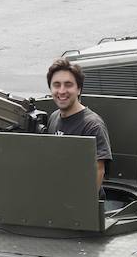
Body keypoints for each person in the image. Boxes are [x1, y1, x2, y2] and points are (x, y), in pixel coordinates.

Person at [47, 58, 112, 189]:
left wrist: (82, 205)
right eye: (56, 85)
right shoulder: (54, 117)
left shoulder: (92, 125)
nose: (62, 91)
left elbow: (99, 171)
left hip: (80, 202)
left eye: (68, 84)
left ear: (79, 89)